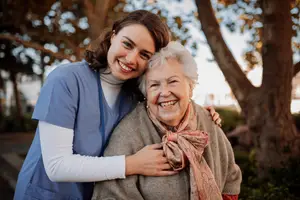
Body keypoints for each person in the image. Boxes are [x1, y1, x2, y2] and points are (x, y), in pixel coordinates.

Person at [14, 10, 221, 200]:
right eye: (127, 44)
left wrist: (200, 113)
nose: (131, 58)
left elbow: (168, 101)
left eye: (144, 55)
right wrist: (132, 164)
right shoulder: (66, 80)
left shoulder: (133, 99)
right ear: (113, 36)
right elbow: (56, 166)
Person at [92, 42, 242, 200]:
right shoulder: (127, 134)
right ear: (145, 93)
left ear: (190, 87)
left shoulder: (208, 120)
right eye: (154, 85)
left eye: (173, 82)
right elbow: (108, 195)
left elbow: (230, 179)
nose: (164, 92)